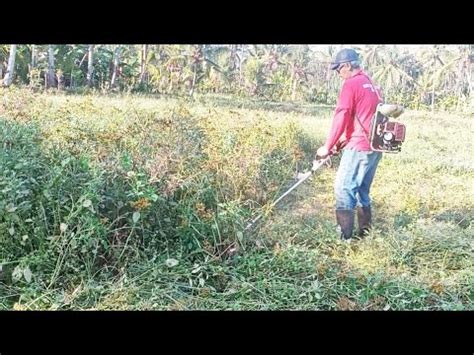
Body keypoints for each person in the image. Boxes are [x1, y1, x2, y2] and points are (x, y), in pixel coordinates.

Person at [316, 48, 383, 241]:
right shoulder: (370, 83)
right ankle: (365, 235)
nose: (338, 74)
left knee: (344, 188)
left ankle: (344, 240)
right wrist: (342, 142)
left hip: (360, 147)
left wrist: (327, 146)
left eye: (338, 69)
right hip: (373, 147)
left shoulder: (351, 84)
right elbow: (364, 118)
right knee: (361, 189)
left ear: (346, 66)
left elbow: (342, 115)